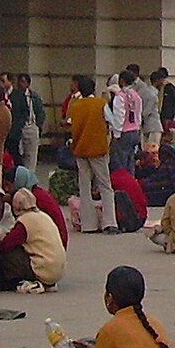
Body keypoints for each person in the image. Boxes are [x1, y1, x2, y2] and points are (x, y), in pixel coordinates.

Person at [66, 75, 115, 234]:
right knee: (105, 186)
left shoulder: (76, 105)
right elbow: (112, 122)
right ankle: (109, 222)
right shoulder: (101, 103)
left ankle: (88, 224)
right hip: (98, 149)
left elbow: (70, 124)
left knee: (84, 187)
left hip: (80, 149)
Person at [0, 188, 66, 294]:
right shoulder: (43, 216)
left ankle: (18, 281)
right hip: (57, 271)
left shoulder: (24, 221)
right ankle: (47, 282)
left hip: (44, 269)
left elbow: (6, 245)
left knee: (7, 252)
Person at [9, 73, 46, 179]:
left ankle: (30, 177)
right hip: (20, 127)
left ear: (28, 84)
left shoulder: (33, 97)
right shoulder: (15, 96)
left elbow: (40, 112)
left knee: (32, 155)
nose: (21, 84)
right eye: (19, 82)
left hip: (31, 126)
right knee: (21, 153)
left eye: (23, 82)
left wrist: (38, 126)